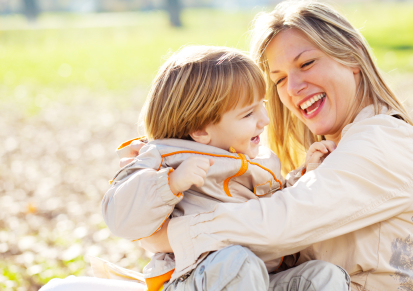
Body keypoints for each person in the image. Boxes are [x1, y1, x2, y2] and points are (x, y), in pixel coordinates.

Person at [130, 1, 413, 291]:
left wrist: (171, 235)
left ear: (351, 56)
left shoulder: (384, 140)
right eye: (279, 79)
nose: (292, 88)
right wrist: (166, 162)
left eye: (306, 63)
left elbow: (283, 223)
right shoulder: (332, 152)